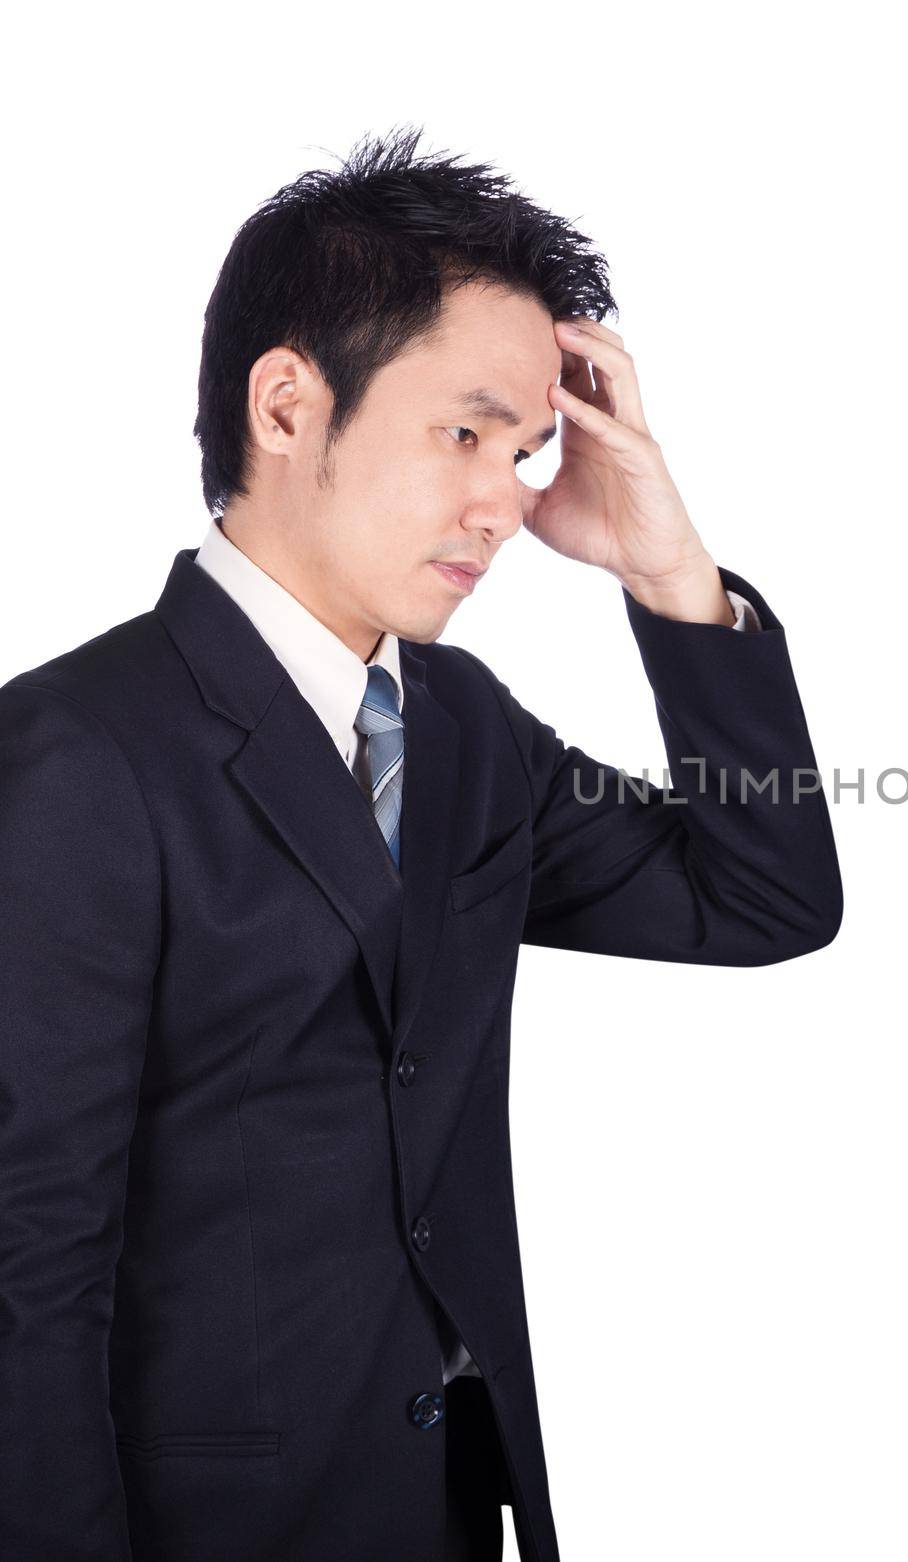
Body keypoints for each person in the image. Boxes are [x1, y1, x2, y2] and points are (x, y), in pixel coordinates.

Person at [0, 126, 842, 1562]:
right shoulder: (79, 750)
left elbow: (758, 892)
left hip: (450, 1507)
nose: (507, 502)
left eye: (525, 450)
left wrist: (668, 572)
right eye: (467, 433)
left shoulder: (460, 727)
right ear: (285, 404)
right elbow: (26, 1266)